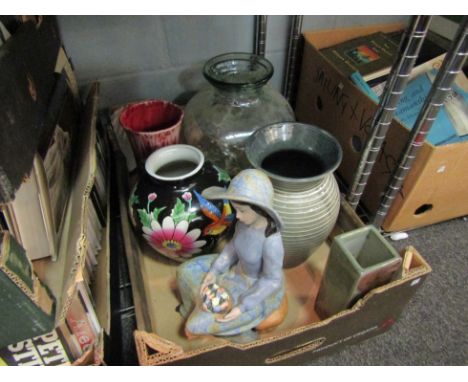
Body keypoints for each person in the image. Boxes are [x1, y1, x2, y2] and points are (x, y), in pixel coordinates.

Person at [176, 169, 286, 338]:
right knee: (184, 271)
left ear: (260, 209)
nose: (238, 216)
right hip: (234, 270)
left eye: (242, 210)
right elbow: (232, 249)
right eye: (236, 210)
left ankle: (236, 329)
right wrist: (214, 271)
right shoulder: (243, 224)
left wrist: (242, 306)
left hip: (253, 287)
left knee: (194, 326)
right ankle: (194, 306)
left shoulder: (271, 241)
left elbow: (272, 280)